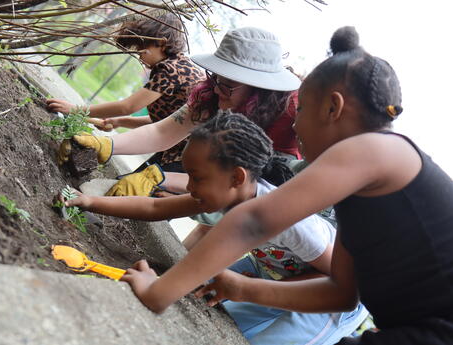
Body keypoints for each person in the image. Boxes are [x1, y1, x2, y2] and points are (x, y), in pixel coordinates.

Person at [120, 26, 453, 345]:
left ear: (333, 108)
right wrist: (241, 288)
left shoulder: (375, 149)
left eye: (304, 108)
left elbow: (254, 220)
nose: (295, 121)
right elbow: (341, 292)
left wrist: (158, 292)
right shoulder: (363, 192)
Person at [63, 112, 367, 345]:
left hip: (326, 298)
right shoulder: (227, 191)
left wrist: (250, 291)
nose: (189, 186)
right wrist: (89, 201)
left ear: (236, 177)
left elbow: (336, 280)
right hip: (270, 266)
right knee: (215, 312)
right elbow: (155, 207)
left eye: (196, 177)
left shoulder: (292, 221)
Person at [57, 27, 302, 192]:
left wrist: (165, 181)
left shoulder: (289, 116)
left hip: (253, 185)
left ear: (258, 88)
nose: (216, 89)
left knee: (149, 192)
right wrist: (107, 144)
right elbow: (163, 133)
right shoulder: (211, 93)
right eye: (215, 78)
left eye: (226, 85)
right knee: (126, 189)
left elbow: (238, 186)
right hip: (201, 165)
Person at [47, 13, 204, 172]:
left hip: (191, 157)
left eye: (142, 48)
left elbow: (128, 106)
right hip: (178, 148)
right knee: (130, 182)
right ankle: (75, 170)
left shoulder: (170, 70)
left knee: (139, 188)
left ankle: (76, 171)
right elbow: (165, 121)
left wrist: (77, 110)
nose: (139, 55)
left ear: (161, 44)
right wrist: (119, 122)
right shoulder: (181, 65)